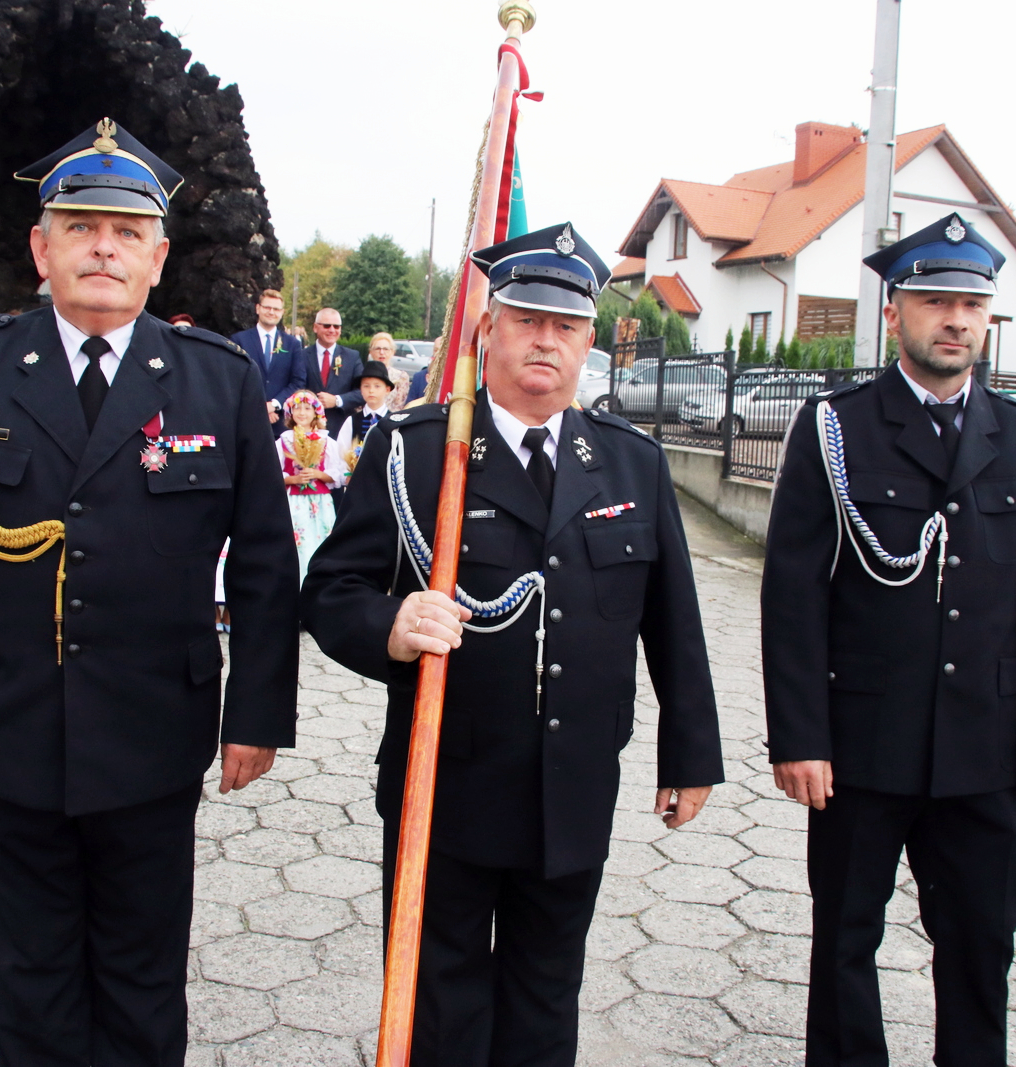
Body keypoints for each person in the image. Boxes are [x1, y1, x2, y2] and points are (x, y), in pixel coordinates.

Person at [0, 118, 301, 1066]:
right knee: (30, 976)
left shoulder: (215, 381)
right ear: (41, 246)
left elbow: (265, 567)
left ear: (158, 256)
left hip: (154, 732)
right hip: (7, 728)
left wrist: (256, 714)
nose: (104, 245)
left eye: (127, 231)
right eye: (81, 225)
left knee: (144, 977)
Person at [302, 222, 723, 1066]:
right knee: (442, 1009)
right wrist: (391, 624)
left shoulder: (631, 463)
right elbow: (328, 591)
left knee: (544, 1002)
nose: (546, 340)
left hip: (572, 785)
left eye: (566, 326)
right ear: (487, 327)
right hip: (446, 783)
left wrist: (690, 751)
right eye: (527, 317)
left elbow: (673, 619)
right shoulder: (418, 452)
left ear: (588, 343)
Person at [760, 213, 1016, 1067]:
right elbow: (793, 596)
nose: (957, 318)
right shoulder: (837, 428)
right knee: (844, 947)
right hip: (860, 748)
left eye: (973, 303)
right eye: (936, 299)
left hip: (985, 748)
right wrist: (800, 736)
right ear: (896, 310)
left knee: (981, 948)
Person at [278, 389, 338, 582]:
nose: (302, 413)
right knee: (295, 544)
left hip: (319, 502)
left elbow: (339, 473)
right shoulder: (284, 441)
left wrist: (318, 474)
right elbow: (271, 471)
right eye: (297, 408)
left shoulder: (325, 440)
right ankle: (293, 581)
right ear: (290, 412)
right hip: (293, 501)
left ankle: (318, 582)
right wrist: (293, 479)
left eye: (307, 408)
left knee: (320, 541)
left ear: (316, 413)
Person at [229, 288, 304, 422]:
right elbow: (234, 379)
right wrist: (260, 408)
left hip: (281, 421)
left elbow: (298, 381)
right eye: (267, 307)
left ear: (282, 313)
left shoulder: (292, 344)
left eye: (276, 309)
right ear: (258, 308)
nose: (271, 312)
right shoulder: (239, 340)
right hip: (247, 418)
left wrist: (274, 405)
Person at [302, 307, 363, 439]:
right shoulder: (301, 356)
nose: (332, 330)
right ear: (315, 327)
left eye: (336, 326)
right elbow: (296, 387)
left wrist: (337, 400)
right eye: (327, 325)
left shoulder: (352, 357)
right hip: (307, 428)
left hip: (341, 429)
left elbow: (362, 392)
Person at [331, 359, 395, 479]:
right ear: (360, 389)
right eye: (366, 386)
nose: (371, 390)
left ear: (387, 390)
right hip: (356, 480)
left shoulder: (393, 421)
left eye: (377, 386)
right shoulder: (352, 421)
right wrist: (346, 475)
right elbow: (341, 451)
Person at [365, 331, 412, 409]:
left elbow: (399, 406)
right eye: (377, 349)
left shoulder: (401, 377)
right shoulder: (363, 375)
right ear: (371, 352)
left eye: (386, 349)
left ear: (392, 352)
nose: (382, 352)